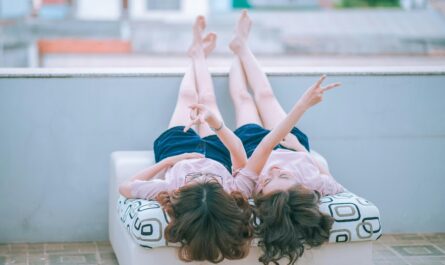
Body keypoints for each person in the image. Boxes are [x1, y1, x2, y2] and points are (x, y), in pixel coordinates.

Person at [118, 16, 254, 263]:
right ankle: (199, 53)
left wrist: (170, 161)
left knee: (189, 95)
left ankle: (195, 53)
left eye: (195, 181)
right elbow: (241, 158)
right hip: (217, 152)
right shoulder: (233, 191)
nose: (201, 175)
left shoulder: (171, 191)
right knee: (208, 99)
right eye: (209, 180)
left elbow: (125, 187)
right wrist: (216, 124)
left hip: (177, 149)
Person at [227, 10, 346, 265]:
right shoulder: (313, 185)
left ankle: (237, 51)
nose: (276, 170)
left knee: (244, 99)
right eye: (284, 176)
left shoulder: (253, 187)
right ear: (303, 188)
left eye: (269, 179)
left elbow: (248, 165)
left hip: (252, 147)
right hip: (291, 143)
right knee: (266, 96)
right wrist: (301, 150)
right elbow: (325, 172)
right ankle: (242, 47)